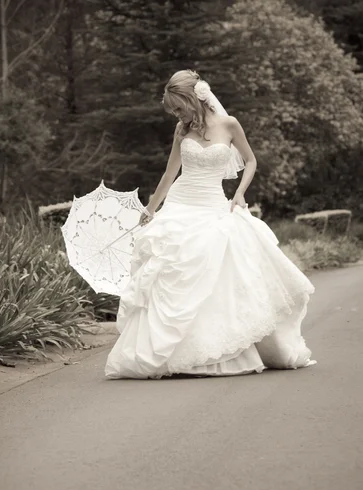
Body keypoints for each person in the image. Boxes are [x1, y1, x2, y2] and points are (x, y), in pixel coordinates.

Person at [104, 69, 316, 379]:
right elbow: (169, 174)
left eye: (179, 107)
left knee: (217, 269)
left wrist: (240, 193)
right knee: (171, 269)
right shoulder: (181, 131)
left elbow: (251, 160)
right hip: (181, 204)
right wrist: (151, 207)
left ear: (194, 98)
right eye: (174, 109)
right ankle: (166, 354)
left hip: (214, 205)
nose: (177, 114)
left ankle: (220, 349)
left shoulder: (229, 125)